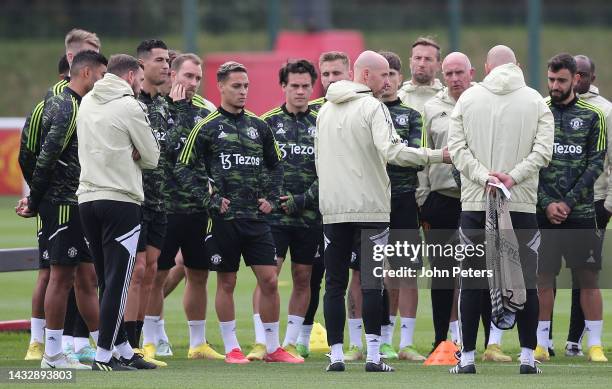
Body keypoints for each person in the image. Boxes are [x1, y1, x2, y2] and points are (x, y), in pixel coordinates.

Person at [317, 50, 448, 373]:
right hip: (371, 209)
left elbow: (319, 161)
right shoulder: (372, 107)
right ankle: (374, 356)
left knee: (334, 283)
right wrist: (437, 156)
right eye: (382, 74)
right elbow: (392, 151)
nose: (387, 81)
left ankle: (336, 356)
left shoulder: (324, 110)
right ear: (365, 76)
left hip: (333, 209)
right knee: (372, 282)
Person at [175, 61, 301, 364]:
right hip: (222, 220)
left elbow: (276, 165)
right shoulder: (206, 128)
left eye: (246, 86)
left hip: (257, 219)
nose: (243, 91)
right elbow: (183, 168)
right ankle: (232, 347)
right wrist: (210, 201)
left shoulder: (259, 127)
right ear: (220, 86)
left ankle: (272, 348)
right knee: (226, 282)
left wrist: (271, 197)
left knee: (269, 280)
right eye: (236, 86)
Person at [448, 45, 554, 374]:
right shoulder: (536, 101)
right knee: (525, 281)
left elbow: (456, 149)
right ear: (517, 65)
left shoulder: (467, 100)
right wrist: (513, 177)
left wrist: (484, 177)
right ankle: (526, 358)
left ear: (487, 67)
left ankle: (466, 359)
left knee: (472, 280)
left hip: (476, 202)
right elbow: (543, 151)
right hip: (519, 202)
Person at [17, 50, 108, 370]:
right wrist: (37, 198)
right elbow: (40, 156)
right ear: (85, 73)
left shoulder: (75, 104)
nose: (102, 81)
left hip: (77, 202)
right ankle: (52, 355)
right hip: (63, 206)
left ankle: (105, 350)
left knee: (87, 277)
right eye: (100, 75)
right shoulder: (67, 106)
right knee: (61, 277)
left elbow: (28, 151)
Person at [77, 54, 160, 371]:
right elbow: (152, 157)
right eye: (139, 80)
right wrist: (134, 150)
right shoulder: (130, 106)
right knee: (117, 282)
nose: (141, 86)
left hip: (87, 199)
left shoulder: (86, 101)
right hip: (121, 201)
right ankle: (103, 356)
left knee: (106, 279)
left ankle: (124, 349)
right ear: (128, 77)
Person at [535, 53, 608, 363]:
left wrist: (567, 202)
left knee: (587, 277)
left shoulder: (594, 115)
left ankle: (594, 344)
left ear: (576, 79)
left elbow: (596, 164)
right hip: (544, 212)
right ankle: (540, 344)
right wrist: (547, 203)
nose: (555, 85)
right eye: (551, 80)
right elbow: (530, 164)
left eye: (561, 80)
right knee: (543, 278)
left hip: (580, 212)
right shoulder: (537, 112)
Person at [154, 53, 224, 361]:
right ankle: (153, 338)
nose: (193, 83)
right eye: (188, 76)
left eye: (197, 78)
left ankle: (198, 343)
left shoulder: (206, 111)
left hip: (198, 209)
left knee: (198, 274)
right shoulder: (156, 106)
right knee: (155, 276)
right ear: (172, 74)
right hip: (162, 206)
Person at [253, 59, 319, 361]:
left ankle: (291, 342)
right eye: (295, 86)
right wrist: (270, 197)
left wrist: (303, 200)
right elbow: (258, 168)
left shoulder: (323, 122)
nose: (301, 91)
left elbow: (331, 170)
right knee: (268, 276)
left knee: (303, 277)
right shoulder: (266, 123)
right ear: (284, 86)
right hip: (275, 216)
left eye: (306, 86)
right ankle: (261, 342)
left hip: (310, 216)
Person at [298, 51, 356, 360]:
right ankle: (301, 338)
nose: (331, 80)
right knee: (313, 276)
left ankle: (363, 343)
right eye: (326, 75)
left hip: (353, 207)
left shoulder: (363, 108)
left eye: (337, 73)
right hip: (317, 209)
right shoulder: (315, 112)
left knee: (360, 275)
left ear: (350, 72)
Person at [417, 52, 470, 356]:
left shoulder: (481, 102)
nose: (453, 79)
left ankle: (478, 341)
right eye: (448, 73)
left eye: (459, 72)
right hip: (441, 200)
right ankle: (441, 340)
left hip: (473, 199)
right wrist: (424, 198)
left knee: (476, 273)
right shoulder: (431, 108)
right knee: (442, 274)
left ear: (470, 72)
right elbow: (424, 155)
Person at [121, 40, 169, 369]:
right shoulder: (128, 102)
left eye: (169, 61)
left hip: (160, 200)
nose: (167, 66)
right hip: (134, 197)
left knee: (150, 272)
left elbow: (170, 149)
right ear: (141, 65)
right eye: (161, 61)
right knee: (135, 272)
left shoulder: (167, 105)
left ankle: (135, 345)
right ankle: (124, 344)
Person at [562, 55, 612, 358]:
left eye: (583, 75)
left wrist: (608, 203)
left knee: (584, 273)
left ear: (591, 79)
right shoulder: (549, 107)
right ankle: (544, 341)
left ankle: (575, 339)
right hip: (554, 202)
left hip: (592, 202)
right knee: (547, 271)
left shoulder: (605, 110)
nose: (578, 80)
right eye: (574, 74)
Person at [377, 51, 425, 361]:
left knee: (408, 270)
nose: (388, 81)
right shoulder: (365, 112)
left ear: (399, 78)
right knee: (375, 271)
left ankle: (405, 342)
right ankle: (381, 340)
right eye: (382, 75)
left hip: (405, 199)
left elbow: (413, 158)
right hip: (373, 200)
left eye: (392, 74)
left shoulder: (412, 115)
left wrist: (392, 153)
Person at [398, 36, 443, 113]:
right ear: (410, 62)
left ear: (438, 65)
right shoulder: (397, 100)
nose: (422, 64)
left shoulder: (447, 99)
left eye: (428, 59)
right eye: (418, 58)